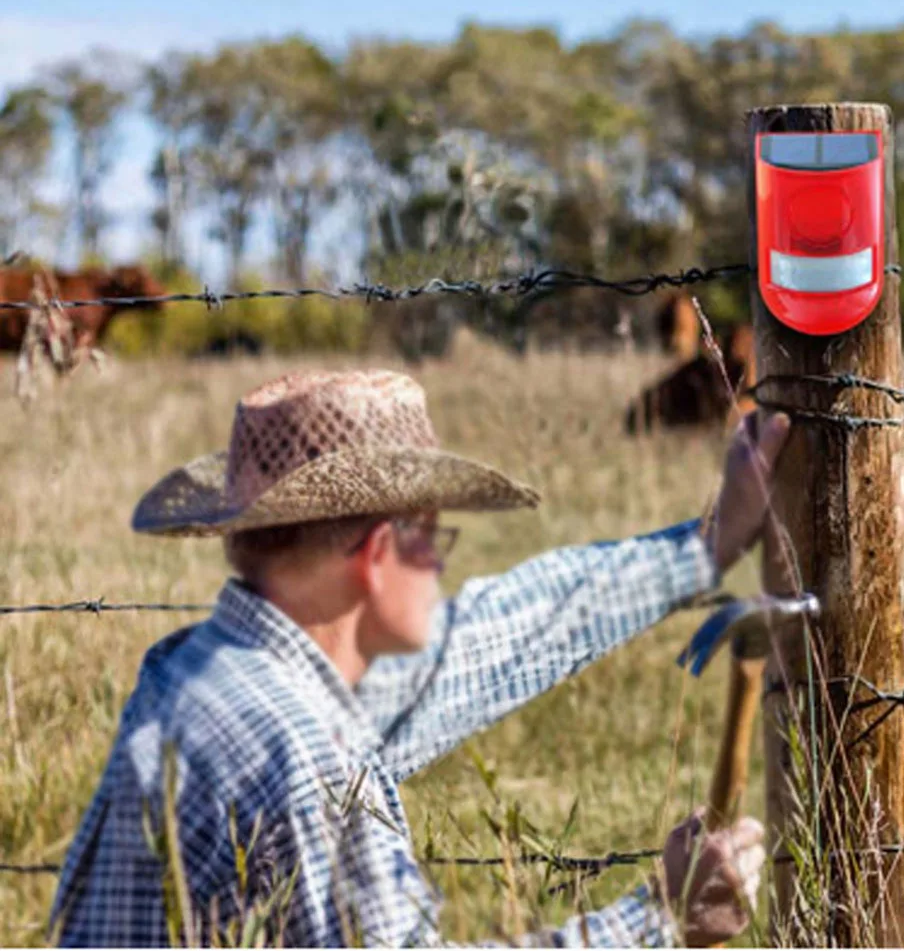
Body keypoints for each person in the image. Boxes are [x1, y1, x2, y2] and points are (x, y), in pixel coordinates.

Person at [48, 368, 791, 948]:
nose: (440, 570)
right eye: (435, 539)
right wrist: (659, 918)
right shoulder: (311, 760)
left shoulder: (194, 672)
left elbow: (493, 638)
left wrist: (706, 546)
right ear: (377, 556)